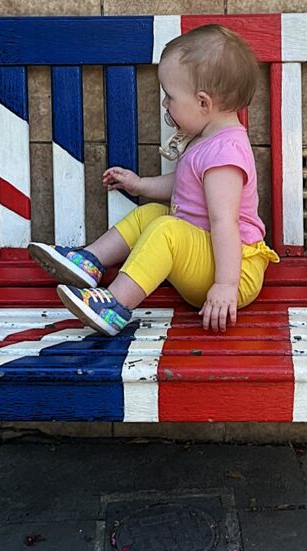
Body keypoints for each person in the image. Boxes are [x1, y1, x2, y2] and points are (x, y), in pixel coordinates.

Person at [28, 24, 279, 335]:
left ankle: (115, 306)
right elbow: (185, 187)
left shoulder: (225, 154)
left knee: (166, 228)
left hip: (235, 272)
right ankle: (90, 261)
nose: (165, 105)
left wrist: (225, 285)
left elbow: (225, 221)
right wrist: (140, 185)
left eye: (170, 97)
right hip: (209, 256)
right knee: (154, 214)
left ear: (203, 103)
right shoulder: (207, 139)